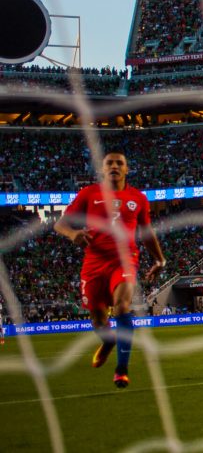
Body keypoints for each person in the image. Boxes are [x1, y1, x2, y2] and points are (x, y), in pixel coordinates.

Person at [54, 150, 165, 388]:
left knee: (123, 305)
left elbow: (146, 234)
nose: (114, 166)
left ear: (127, 169)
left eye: (119, 163)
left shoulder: (139, 198)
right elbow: (60, 224)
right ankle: (108, 341)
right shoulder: (89, 193)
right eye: (110, 163)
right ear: (102, 169)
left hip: (125, 260)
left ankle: (121, 369)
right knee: (97, 317)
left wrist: (160, 260)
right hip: (94, 262)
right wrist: (73, 234)